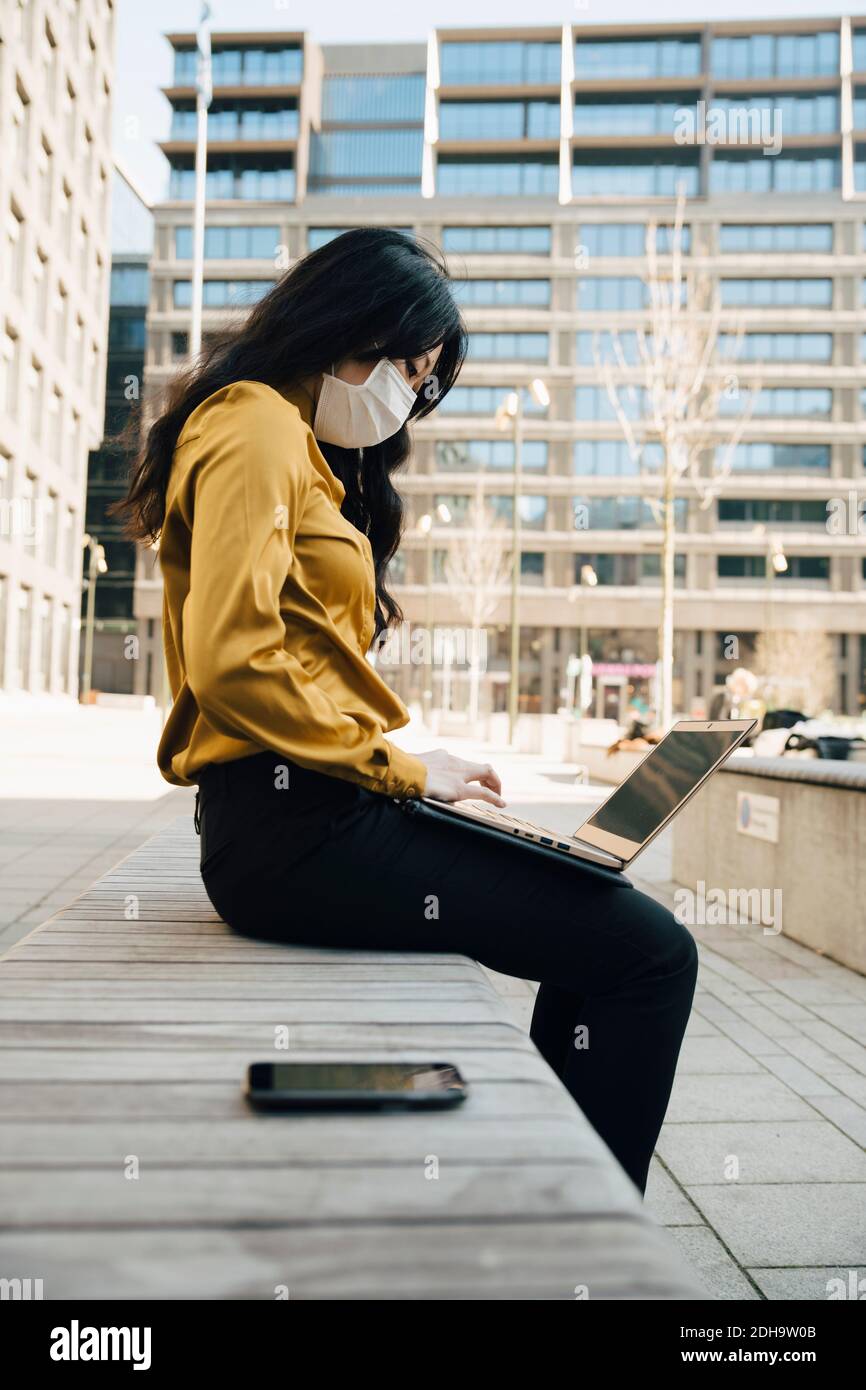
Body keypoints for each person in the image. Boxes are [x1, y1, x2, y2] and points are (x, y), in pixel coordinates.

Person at [115, 229, 697, 1195]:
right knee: (647, 955)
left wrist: (410, 766)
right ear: (352, 331)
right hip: (292, 835)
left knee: (602, 922)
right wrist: (401, 772)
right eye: (410, 371)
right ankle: (578, 1229)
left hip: (309, 816)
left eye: (424, 385)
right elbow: (233, 661)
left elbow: (290, 664)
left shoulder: (287, 440)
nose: (407, 401)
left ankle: (553, 1203)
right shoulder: (255, 426)